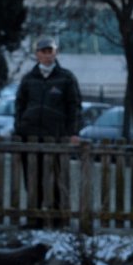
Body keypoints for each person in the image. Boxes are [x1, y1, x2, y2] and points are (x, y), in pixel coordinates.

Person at [13, 36, 82, 227]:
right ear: (37, 55)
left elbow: (74, 106)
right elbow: (19, 105)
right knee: (32, 177)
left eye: (49, 51)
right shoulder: (28, 79)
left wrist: (73, 132)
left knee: (57, 177)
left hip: (56, 136)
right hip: (31, 135)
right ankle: (35, 217)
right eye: (43, 51)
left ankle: (60, 217)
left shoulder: (66, 78)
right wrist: (19, 129)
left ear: (55, 53)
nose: (46, 55)